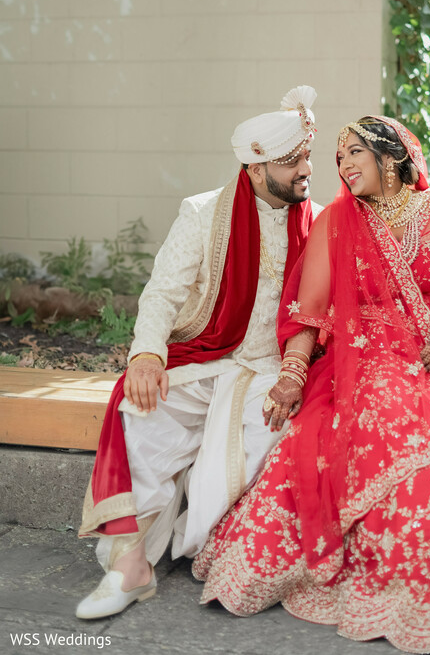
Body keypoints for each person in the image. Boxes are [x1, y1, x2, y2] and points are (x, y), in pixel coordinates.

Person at [193, 116, 430, 654]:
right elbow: (308, 315)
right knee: (397, 433)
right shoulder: (336, 221)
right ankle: (403, 586)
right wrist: (291, 376)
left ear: (393, 156)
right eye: (339, 157)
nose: (344, 165)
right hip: (368, 359)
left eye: (355, 152)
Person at [76, 86, 322, 620]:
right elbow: (163, 292)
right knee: (140, 409)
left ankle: (199, 539)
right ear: (256, 170)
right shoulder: (204, 213)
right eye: (293, 161)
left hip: (269, 370)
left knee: (260, 444)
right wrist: (146, 356)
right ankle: (130, 567)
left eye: (307, 155)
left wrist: (294, 371)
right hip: (206, 357)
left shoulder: (319, 223)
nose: (307, 168)